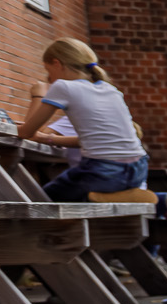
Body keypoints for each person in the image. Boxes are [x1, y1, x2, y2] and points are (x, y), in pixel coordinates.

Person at [18, 39, 155, 204]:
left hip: (103, 172)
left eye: (48, 70)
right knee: (74, 196)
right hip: (138, 170)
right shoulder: (110, 90)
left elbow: (26, 132)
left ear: (57, 63)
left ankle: (101, 197)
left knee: (43, 200)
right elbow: (96, 140)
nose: (49, 78)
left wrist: (38, 95)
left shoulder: (63, 87)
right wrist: (46, 139)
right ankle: (151, 200)